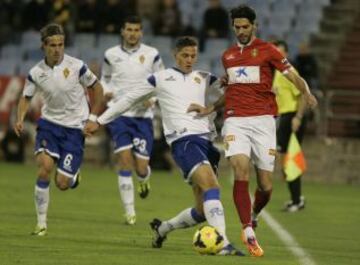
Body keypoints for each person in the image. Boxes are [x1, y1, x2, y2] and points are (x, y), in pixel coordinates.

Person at [86, 36, 245, 256]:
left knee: (202, 211)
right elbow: (127, 99)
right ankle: (223, 244)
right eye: (185, 55)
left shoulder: (204, 77)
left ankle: (163, 228)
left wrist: (230, 86)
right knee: (212, 187)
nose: (189, 60)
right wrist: (100, 120)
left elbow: (232, 94)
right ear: (175, 54)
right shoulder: (159, 78)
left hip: (207, 142)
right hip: (184, 142)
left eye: (193, 56)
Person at [187, 5, 317, 257]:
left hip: (264, 121)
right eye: (237, 27)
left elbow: (291, 75)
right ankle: (247, 230)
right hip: (236, 120)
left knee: (266, 185)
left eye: (245, 27)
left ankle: (254, 214)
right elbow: (232, 90)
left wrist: (307, 92)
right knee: (239, 167)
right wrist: (210, 108)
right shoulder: (228, 56)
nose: (241, 31)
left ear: (254, 25)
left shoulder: (269, 51)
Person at [14, 23, 104, 236]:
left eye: (60, 45)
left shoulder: (77, 66)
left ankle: (73, 177)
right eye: (52, 45)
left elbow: (97, 88)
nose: (57, 49)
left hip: (74, 129)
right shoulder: (36, 72)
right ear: (44, 46)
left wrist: (93, 117)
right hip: (49, 126)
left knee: (62, 183)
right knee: (44, 167)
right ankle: (41, 223)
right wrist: (20, 118)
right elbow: (26, 97)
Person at [101, 15, 164, 225]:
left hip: (142, 118)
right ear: (122, 31)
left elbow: (161, 81)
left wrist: (153, 98)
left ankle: (144, 180)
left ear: (141, 33)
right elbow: (105, 78)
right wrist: (107, 91)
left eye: (136, 30)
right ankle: (129, 212)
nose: (132, 33)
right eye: (129, 29)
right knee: (124, 161)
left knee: (141, 167)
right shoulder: (110, 54)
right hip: (119, 115)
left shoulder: (152, 54)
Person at [273, 40, 307, 212]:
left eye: (280, 53)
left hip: (292, 116)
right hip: (284, 117)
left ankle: (297, 200)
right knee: (285, 160)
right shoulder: (276, 73)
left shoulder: (290, 71)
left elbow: (302, 94)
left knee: (289, 159)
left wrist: (298, 117)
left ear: (285, 54)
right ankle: (296, 198)